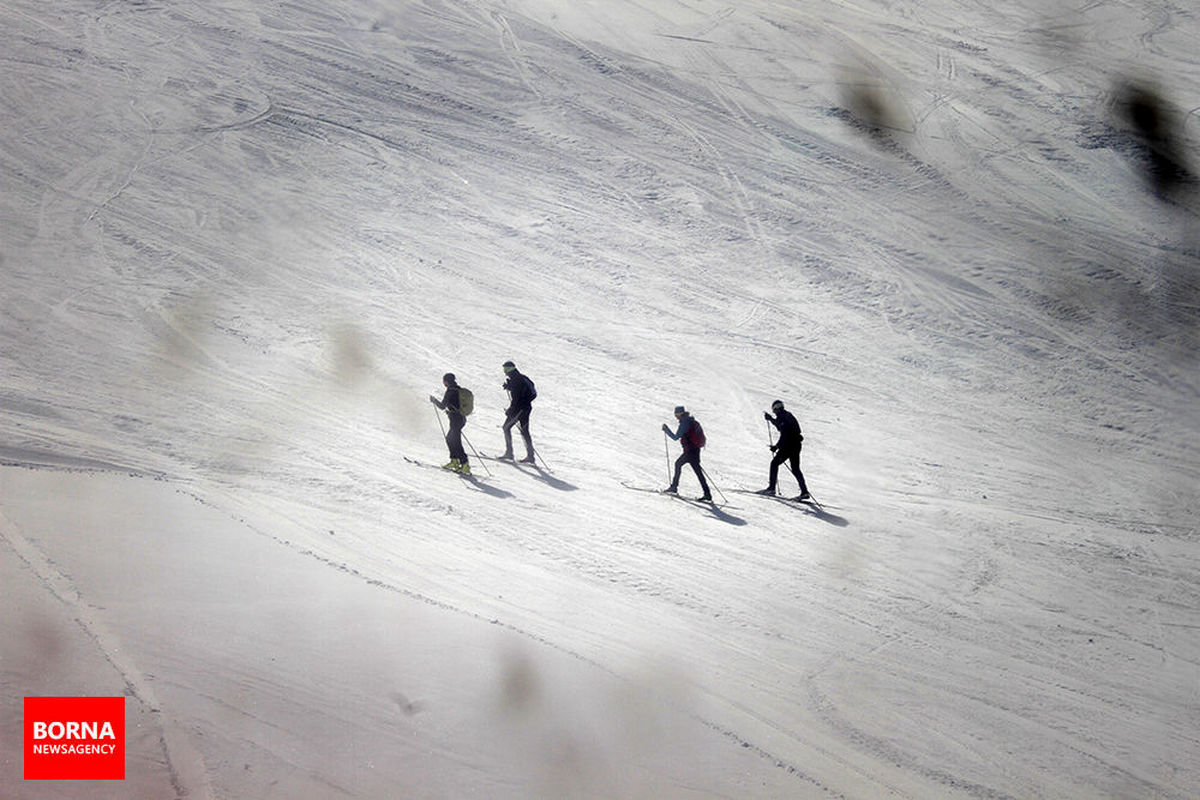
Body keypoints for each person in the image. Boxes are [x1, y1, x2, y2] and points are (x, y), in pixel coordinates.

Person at [761, 399, 810, 499]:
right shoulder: (786, 415)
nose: (774, 412)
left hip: (789, 446)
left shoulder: (784, 418)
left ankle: (771, 488)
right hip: (796, 445)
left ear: (777, 409)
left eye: (774, 410)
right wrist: (770, 419)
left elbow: (784, 435)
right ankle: (804, 492)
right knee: (796, 469)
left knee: (774, 463)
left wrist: (776, 446)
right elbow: (779, 425)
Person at [662, 406, 711, 501]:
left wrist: (666, 429)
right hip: (695, 451)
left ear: (680, 414)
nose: (676, 417)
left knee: (678, 464)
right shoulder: (690, 421)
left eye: (676, 415)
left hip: (690, 452)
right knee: (698, 473)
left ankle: (674, 487)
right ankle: (707, 494)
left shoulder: (685, 423)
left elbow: (675, 437)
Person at [429, 373, 470, 475]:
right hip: (460, 418)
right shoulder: (458, 389)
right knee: (450, 439)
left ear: (446, 381)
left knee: (455, 441)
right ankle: (455, 460)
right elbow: (455, 404)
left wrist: (434, 401)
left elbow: (442, 406)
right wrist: (450, 411)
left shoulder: (450, 391)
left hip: (456, 419)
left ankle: (464, 464)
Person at [500, 360, 536, 463]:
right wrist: (509, 387)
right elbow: (523, 392)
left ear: (510, 369)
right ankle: (530, 456)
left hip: (519, 409)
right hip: (526, 407)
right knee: (524, 431)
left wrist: (510, 410)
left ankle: (509, 453)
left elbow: (516, 398)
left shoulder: (516, 380)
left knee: (506, 427)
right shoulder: (521, 378)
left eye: (506, 369)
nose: (504, 372)